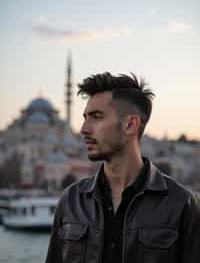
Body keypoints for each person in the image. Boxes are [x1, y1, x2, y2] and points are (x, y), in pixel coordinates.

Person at [45, 72, 200, 263]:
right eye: (85, 117)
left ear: (130, 124)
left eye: (96, 117)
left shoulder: (182, 204)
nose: (84, 128)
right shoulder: (71, 200)